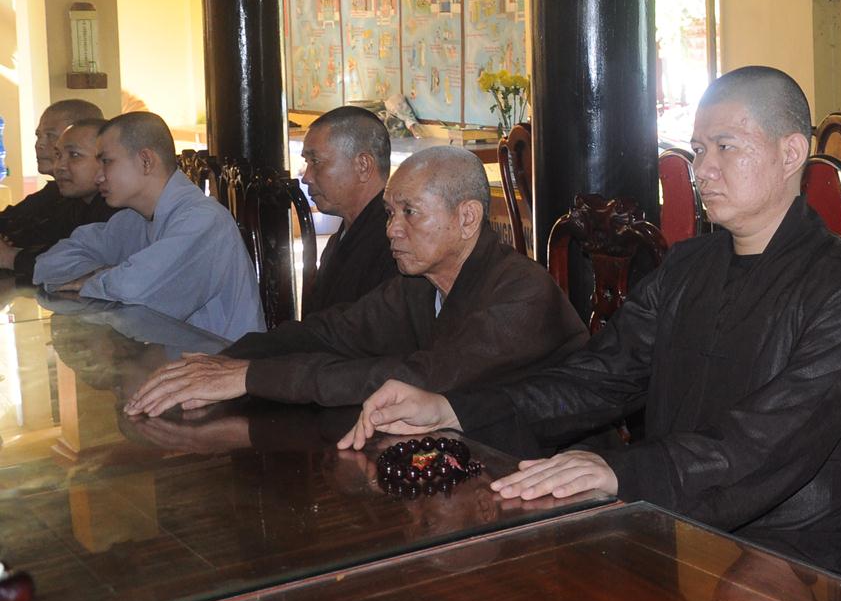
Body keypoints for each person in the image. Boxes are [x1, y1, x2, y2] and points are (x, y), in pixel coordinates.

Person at [339, 66, 841, 574]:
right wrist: (454, 409)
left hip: (792, 557)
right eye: (699, 149)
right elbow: (598, 377)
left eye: (726, 147)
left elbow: (768, 442)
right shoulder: (689, 267)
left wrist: (622, 471)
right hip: (673, 528)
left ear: (791, 152)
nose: (703, 170)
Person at [125, 146, 586, 415]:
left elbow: (422, 377)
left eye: (410, 213)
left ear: (467, 218)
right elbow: (333, 331)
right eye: (389, 212)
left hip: (551, 477)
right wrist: (228, 359)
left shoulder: (520, 293)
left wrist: (251, 377)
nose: (392, 229)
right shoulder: (421, 284)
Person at [32, 112, 264, 340]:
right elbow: (48, 264)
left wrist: (103, 276)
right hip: (170, 357)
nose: (98, 177)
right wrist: (107, 274)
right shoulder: (132, 220)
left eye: (106, 162)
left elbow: (135, 291)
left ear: (146, 161)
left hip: (223, 360)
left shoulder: (203, 220)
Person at [297, 106, 399, 315]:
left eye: (316, 161)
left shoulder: (396, 244)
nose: (306, 177)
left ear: (363, 165)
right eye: (307, 163)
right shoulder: (342, 237)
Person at [0, 119, 113, 278]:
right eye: (58, 155)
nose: (59, 166)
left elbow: (86, 266)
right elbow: (45, 242)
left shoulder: (121, 211)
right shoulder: (70, 203)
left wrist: (11, 258)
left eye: (74, 155)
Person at [0, 99, 105, 242]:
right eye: (38, 136)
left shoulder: (111, 207)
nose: (39, 144)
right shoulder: (54, 193)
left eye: (50, 135)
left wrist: (15, 254)